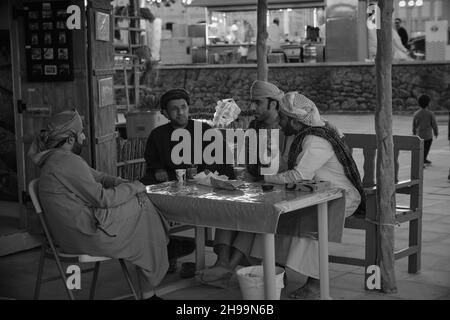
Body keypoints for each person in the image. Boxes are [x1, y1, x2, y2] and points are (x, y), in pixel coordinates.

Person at [28, 110, 174, 300]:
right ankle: (163, 246)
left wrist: (121, 182)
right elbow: (103, 199)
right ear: (71, 139)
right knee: (143, 204)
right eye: (81, 133)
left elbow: (99, 177)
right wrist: (136, 186)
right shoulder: (66, 161)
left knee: (142, 216)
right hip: (86, 235)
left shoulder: (56, 159)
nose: (84, 137)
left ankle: (161, 244)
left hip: (69, 234)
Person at [251, 92, 365, 299]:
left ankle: (316, 283)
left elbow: (299, 175)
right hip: (315, 192)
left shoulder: (315, 139)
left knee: (309, 221)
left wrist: (265, 179)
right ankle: (277, 272)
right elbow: (293, 171)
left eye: (283, 118)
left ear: (295, 121)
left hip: (340, 197)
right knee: (277, 214)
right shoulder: (302, 134)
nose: (280, 121)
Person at [195, 80, 285, 285]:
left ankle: (227, 267)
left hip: (280, 186)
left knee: (254, 210)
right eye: (252, 102)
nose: (252, 108)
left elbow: (289, 167)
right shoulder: (255, 125)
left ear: (273, 104)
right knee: (231, 204)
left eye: (258, 103)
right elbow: (250, 162)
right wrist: (246, 180)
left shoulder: (287, 125)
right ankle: (222, 262)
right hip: (258, 184)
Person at [142, 88, 234, 185]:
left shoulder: (205, 130)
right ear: (165, 113)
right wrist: (158, 169)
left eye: (183, 107)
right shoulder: (157, 134)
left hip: (203, 178)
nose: (180, 112)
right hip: (171, 178)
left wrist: (204, 173)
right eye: (174, 109)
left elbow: (222, 155)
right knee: (145, 183)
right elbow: (151, 158)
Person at [412, 94, 438, 165]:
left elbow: (414, 125)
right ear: (428, 103)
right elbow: (434, 124)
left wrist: (414, 133)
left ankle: (422, 160)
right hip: (428, 136)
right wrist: (436, 132)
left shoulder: (416, 113)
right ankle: (423, 160)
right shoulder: (430, 113)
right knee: (426, 149)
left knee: (420, 149)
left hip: (419, 135)